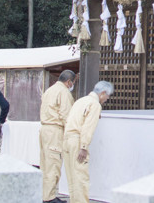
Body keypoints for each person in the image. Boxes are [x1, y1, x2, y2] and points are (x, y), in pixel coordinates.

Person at [62, 81, 113, 203]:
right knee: (80, 178)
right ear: (103, 93)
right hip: (77, 141)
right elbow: (87, 127)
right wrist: (83, 147)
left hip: (67, 139)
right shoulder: (94, 105)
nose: (107, 99)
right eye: (107, 96)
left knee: (72, 179)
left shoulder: (80, 101)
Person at [39, 70, 77, 203]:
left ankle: (45, 194)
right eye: (73, 82)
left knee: (45, 164)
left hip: (45, 129)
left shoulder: (49, 90)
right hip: (55, 129)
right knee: (53, 164)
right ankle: (49, 198)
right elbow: (66, 115)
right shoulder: (64, 92)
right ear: (69, 82)